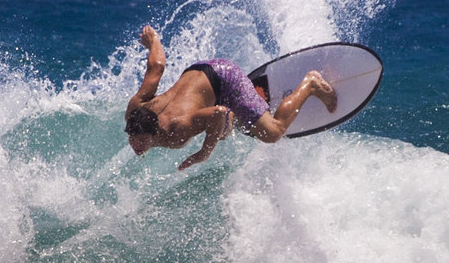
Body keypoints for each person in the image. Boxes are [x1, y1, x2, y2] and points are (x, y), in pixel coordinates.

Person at [123, 26, 335, 168]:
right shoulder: (136, 109)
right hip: (198, 70)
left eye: (142, 140)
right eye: (133, 138)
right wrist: (154, 42)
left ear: (157, 129)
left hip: (224, 77)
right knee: (222, 131)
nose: (136, 145)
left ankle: (311, 84)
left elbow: (217, 112)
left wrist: (204, 152)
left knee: (271, 133)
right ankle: (237, 114)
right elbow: (157, 66)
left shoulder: (178, 128)